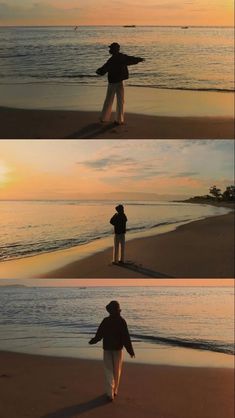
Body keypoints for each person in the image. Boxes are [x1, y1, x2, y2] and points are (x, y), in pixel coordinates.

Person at [89, 301, 135, 401]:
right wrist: (130, 351)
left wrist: (93, 341)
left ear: (109, 311)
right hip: (118, 349)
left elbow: (99, 334)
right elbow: (126, 338)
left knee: (108, 370)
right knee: (117, 371)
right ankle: (115, 391)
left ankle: (110, 393)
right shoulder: (122, 321)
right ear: (118, 310)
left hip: (107, 349)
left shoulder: (106, 321)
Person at [96, 42, 145, 125]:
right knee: (120, 101)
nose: (110, 50)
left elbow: (104, 68)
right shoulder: (122, 57)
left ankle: (104, 118)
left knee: (109, 100)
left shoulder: (112, 59)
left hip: (113, 82)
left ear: (114, 49)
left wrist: (99, 71)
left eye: (111, 48)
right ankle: (119, 120)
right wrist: (139, 59)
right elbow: (131, 59)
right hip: (120, 81)